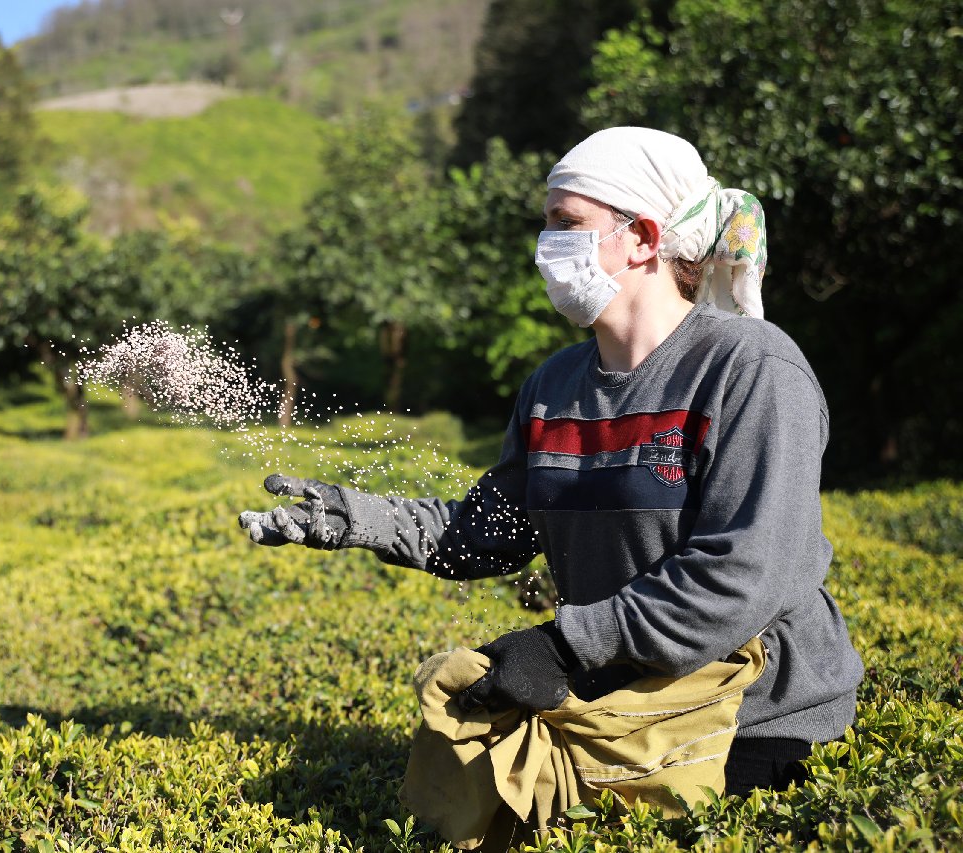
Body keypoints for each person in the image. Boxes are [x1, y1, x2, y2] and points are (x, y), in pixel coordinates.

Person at [238, 126, 864, 797]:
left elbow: (741, 573)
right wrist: (354, 516)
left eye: (567, 224)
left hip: (760, 720)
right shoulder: (554, 387)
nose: (546, 248)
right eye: (546, 225)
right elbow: (493, 531)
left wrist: (565, 645)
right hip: (622, 700)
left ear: (646, 239)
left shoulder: (752, 369)